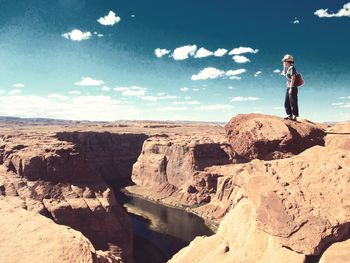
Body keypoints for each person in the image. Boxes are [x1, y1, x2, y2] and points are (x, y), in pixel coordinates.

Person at [282, 54, 299, 121]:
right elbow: (284, 74)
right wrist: (284, 67)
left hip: (293, 87)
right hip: (288, 87)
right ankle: (289, 115)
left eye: (284, 61)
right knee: (286, 102)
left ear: (287, 61)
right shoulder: (288, 68)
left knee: (293, 102)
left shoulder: (292, 68)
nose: (283, 62)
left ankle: (294, 116)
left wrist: (291, 88)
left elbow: (293, 78)